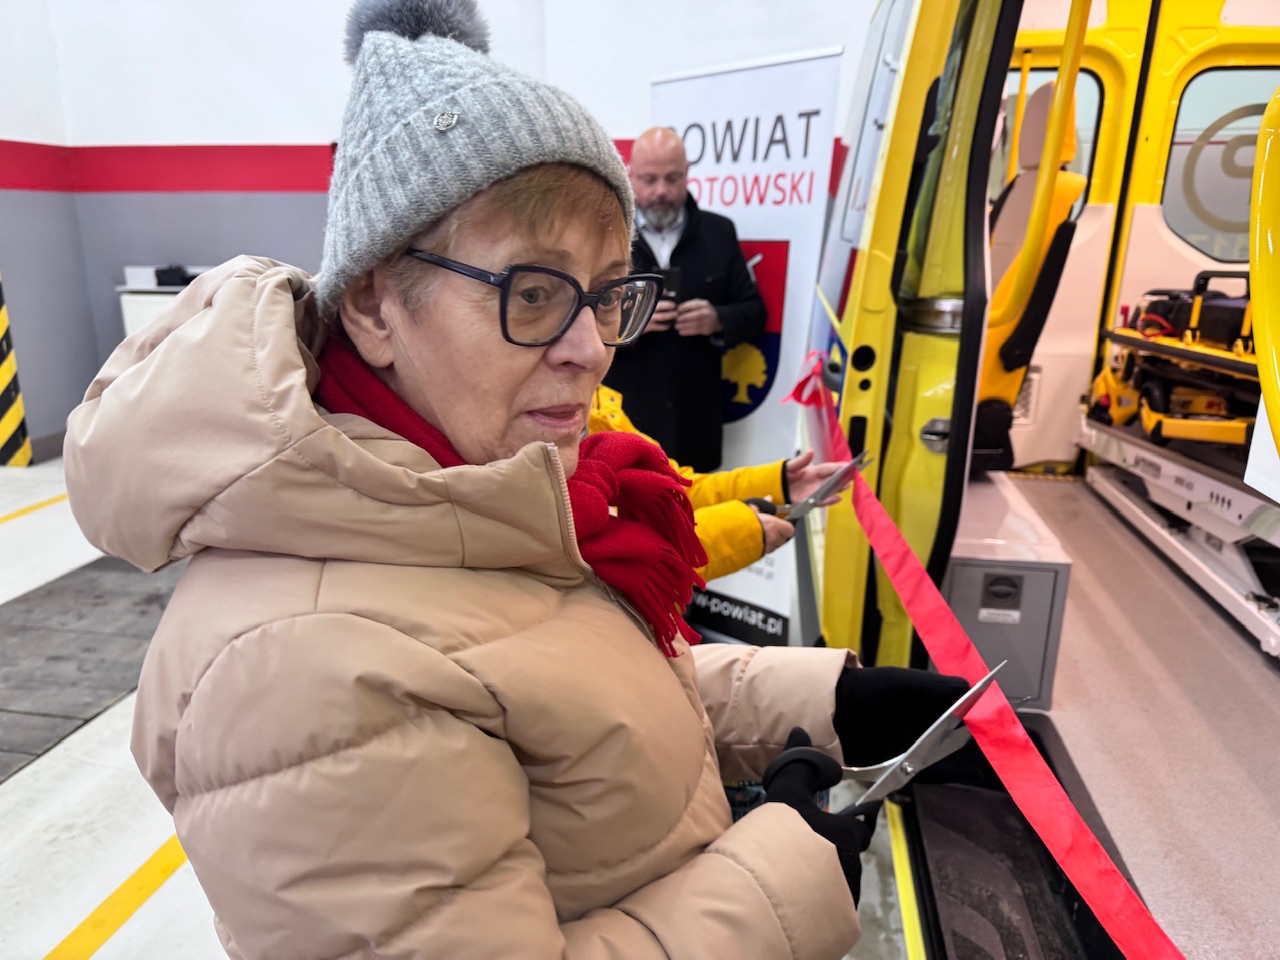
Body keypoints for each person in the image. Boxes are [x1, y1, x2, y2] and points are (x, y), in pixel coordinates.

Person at [64, 2, 966, 957]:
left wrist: (824, 703)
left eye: (608, 295)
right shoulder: (304, 673)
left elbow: (564, 691)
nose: (592, 349)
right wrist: (786, 877)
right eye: (533, 293)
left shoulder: (476, 497)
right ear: (373, 304)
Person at [603, 126, 766, 472]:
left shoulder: (719, 232)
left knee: (703, 506)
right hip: (624, 422)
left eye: (672, 178)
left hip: (697, 423)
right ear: (631, 176)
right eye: (649, 180)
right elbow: (578, 316)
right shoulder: (605, 234)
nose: (661, 190)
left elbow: (754, 312)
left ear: (688, 173)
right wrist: (628, 324)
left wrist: (717, 319)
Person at [590, 384, 842, 580]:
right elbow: (617, 561)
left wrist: (779, 484)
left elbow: (672, 489)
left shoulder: (595, 402)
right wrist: (744, 530)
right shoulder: (579, 409)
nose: (595, 351)